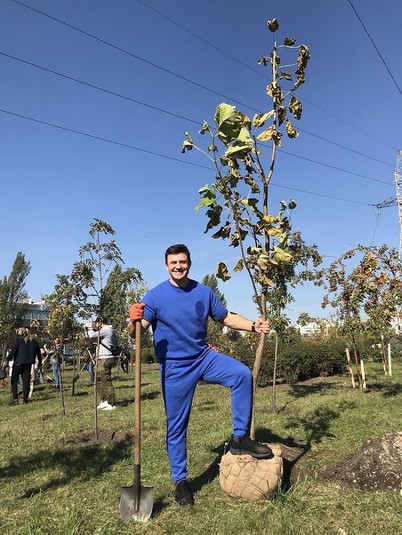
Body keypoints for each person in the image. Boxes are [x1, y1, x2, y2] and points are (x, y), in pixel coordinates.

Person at [128, 243, 273, 507]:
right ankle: (181, 482)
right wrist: (133, 320)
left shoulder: (203, 292)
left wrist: (254, 325)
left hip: (203, 357)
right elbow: (138, 330)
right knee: (176, 425)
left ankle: (240, 439)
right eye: (173, 263)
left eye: (182, 262)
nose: (178, 267)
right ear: (166, 266)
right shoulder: (155, 296)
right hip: (175, 367)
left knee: (241, 375)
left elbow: (226, 317)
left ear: (189, 264)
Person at [87, 317, 118, 410]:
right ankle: (104, 400)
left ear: (100, 322)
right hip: (102, 358)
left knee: (106, 380)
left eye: (96, 323)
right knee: (98, 379)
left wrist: (90, 327)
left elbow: (92, 335)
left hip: (106, 357)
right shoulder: (107, 330)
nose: (95, 325)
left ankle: (111, 403)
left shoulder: (106, 330)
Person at [7, 327, 42, 405]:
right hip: (28, 363)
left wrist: (7, 359)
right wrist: (40, 361)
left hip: (18, 362)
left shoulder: (19, 340)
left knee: (14, 380)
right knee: (26, 381)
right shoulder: (33, 340)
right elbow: (38, 352)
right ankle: (25, 400)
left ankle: (15, 399)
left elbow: (13, 350)